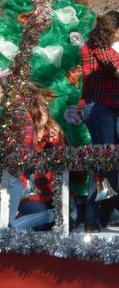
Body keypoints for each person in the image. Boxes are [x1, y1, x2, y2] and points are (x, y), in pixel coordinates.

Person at [80, 10, 119, 232]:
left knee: (113, 162)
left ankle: (107, 214)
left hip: (107, 107)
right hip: (99, 108)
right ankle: (92, 219)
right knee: (103, 161)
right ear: (117, 29)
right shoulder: (99, 47)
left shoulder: (98, 47)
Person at [9, 85, 65, 231]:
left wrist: (55, 142)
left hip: (53, 193)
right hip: (30, 195)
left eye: (46, 108)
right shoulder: (24, 133)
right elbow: (26, 160)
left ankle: (49, 215)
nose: (45, 112)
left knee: (72, 217)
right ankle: (19, 220)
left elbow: (66, 162)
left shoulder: (54, 133)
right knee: (43, 222)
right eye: (41, 109)